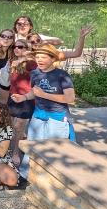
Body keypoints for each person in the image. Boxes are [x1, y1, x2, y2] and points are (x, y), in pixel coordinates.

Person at [18, 43, 77, 179]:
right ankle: (25, 175)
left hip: (57, 117)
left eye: (43, 57)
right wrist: (23, 97)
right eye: (37, 57)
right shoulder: (34, 73)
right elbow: (34, 92)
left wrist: (44, 94)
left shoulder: (62, 75)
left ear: (52, 58)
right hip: (38, 114)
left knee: (55, 150)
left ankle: (53, 179)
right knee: (33, 147)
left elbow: (70, 98)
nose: (39, 60)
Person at [7, 38, 35, 165]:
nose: (17, 49)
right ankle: (8, 148)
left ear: (27, 49)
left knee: (19, 127)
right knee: (12, 126)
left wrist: (24, 59)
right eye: (15, 47)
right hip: (13, 97)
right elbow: (10, 81)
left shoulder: (31, 63)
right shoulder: (13, 61)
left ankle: (15, 152)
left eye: (20, 47)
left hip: (26, 99)